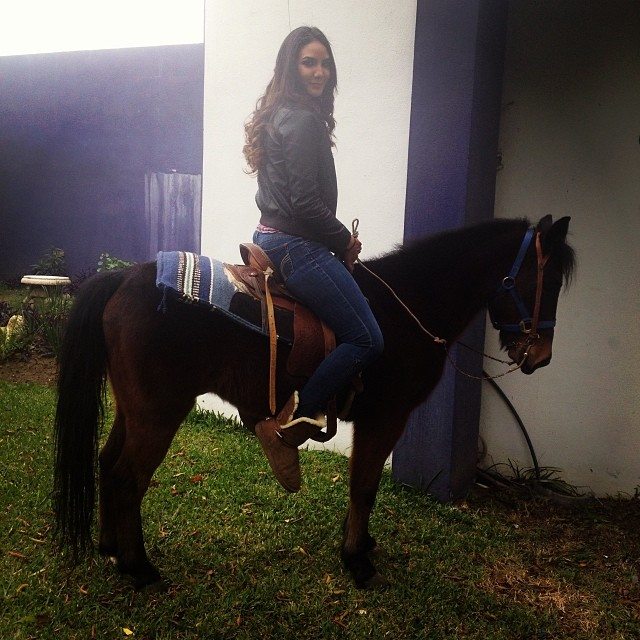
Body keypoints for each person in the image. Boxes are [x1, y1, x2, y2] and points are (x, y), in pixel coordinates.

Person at [243, 26, 384, 493]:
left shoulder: (280, 114)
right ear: (291, 67)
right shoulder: (303, 121)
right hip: (296, 246)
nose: (319, 71)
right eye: (309, 62)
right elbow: (305, 204)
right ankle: (291, 424)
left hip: (269, 237)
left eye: (324, 63)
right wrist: (344, 240)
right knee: (366, 337)